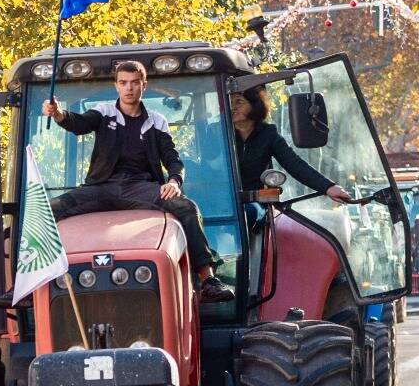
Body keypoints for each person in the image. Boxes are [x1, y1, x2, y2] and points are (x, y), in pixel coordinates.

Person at [41, 59, 234, 303]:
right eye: (123, 83)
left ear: (144, 85)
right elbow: (79, 124)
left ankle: (208, 280)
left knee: (186, 207)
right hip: (101, 187)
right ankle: (25, 284)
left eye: (134, 83)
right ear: (116, 86)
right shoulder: (104, 112)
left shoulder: (157, 121)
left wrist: (174, 181)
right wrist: (59, 114)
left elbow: (173, 160)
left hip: (139, 188)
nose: (128, 88)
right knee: (46, 212)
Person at [233, 85, 354, 202]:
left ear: (255, 104)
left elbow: (294, 164)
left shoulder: (268, 134)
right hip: (223, 206)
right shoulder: (215, 133)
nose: (232, 107)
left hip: (253, 205)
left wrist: (328, 187)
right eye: (228, 102)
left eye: (239, 102)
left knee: (250, 213)